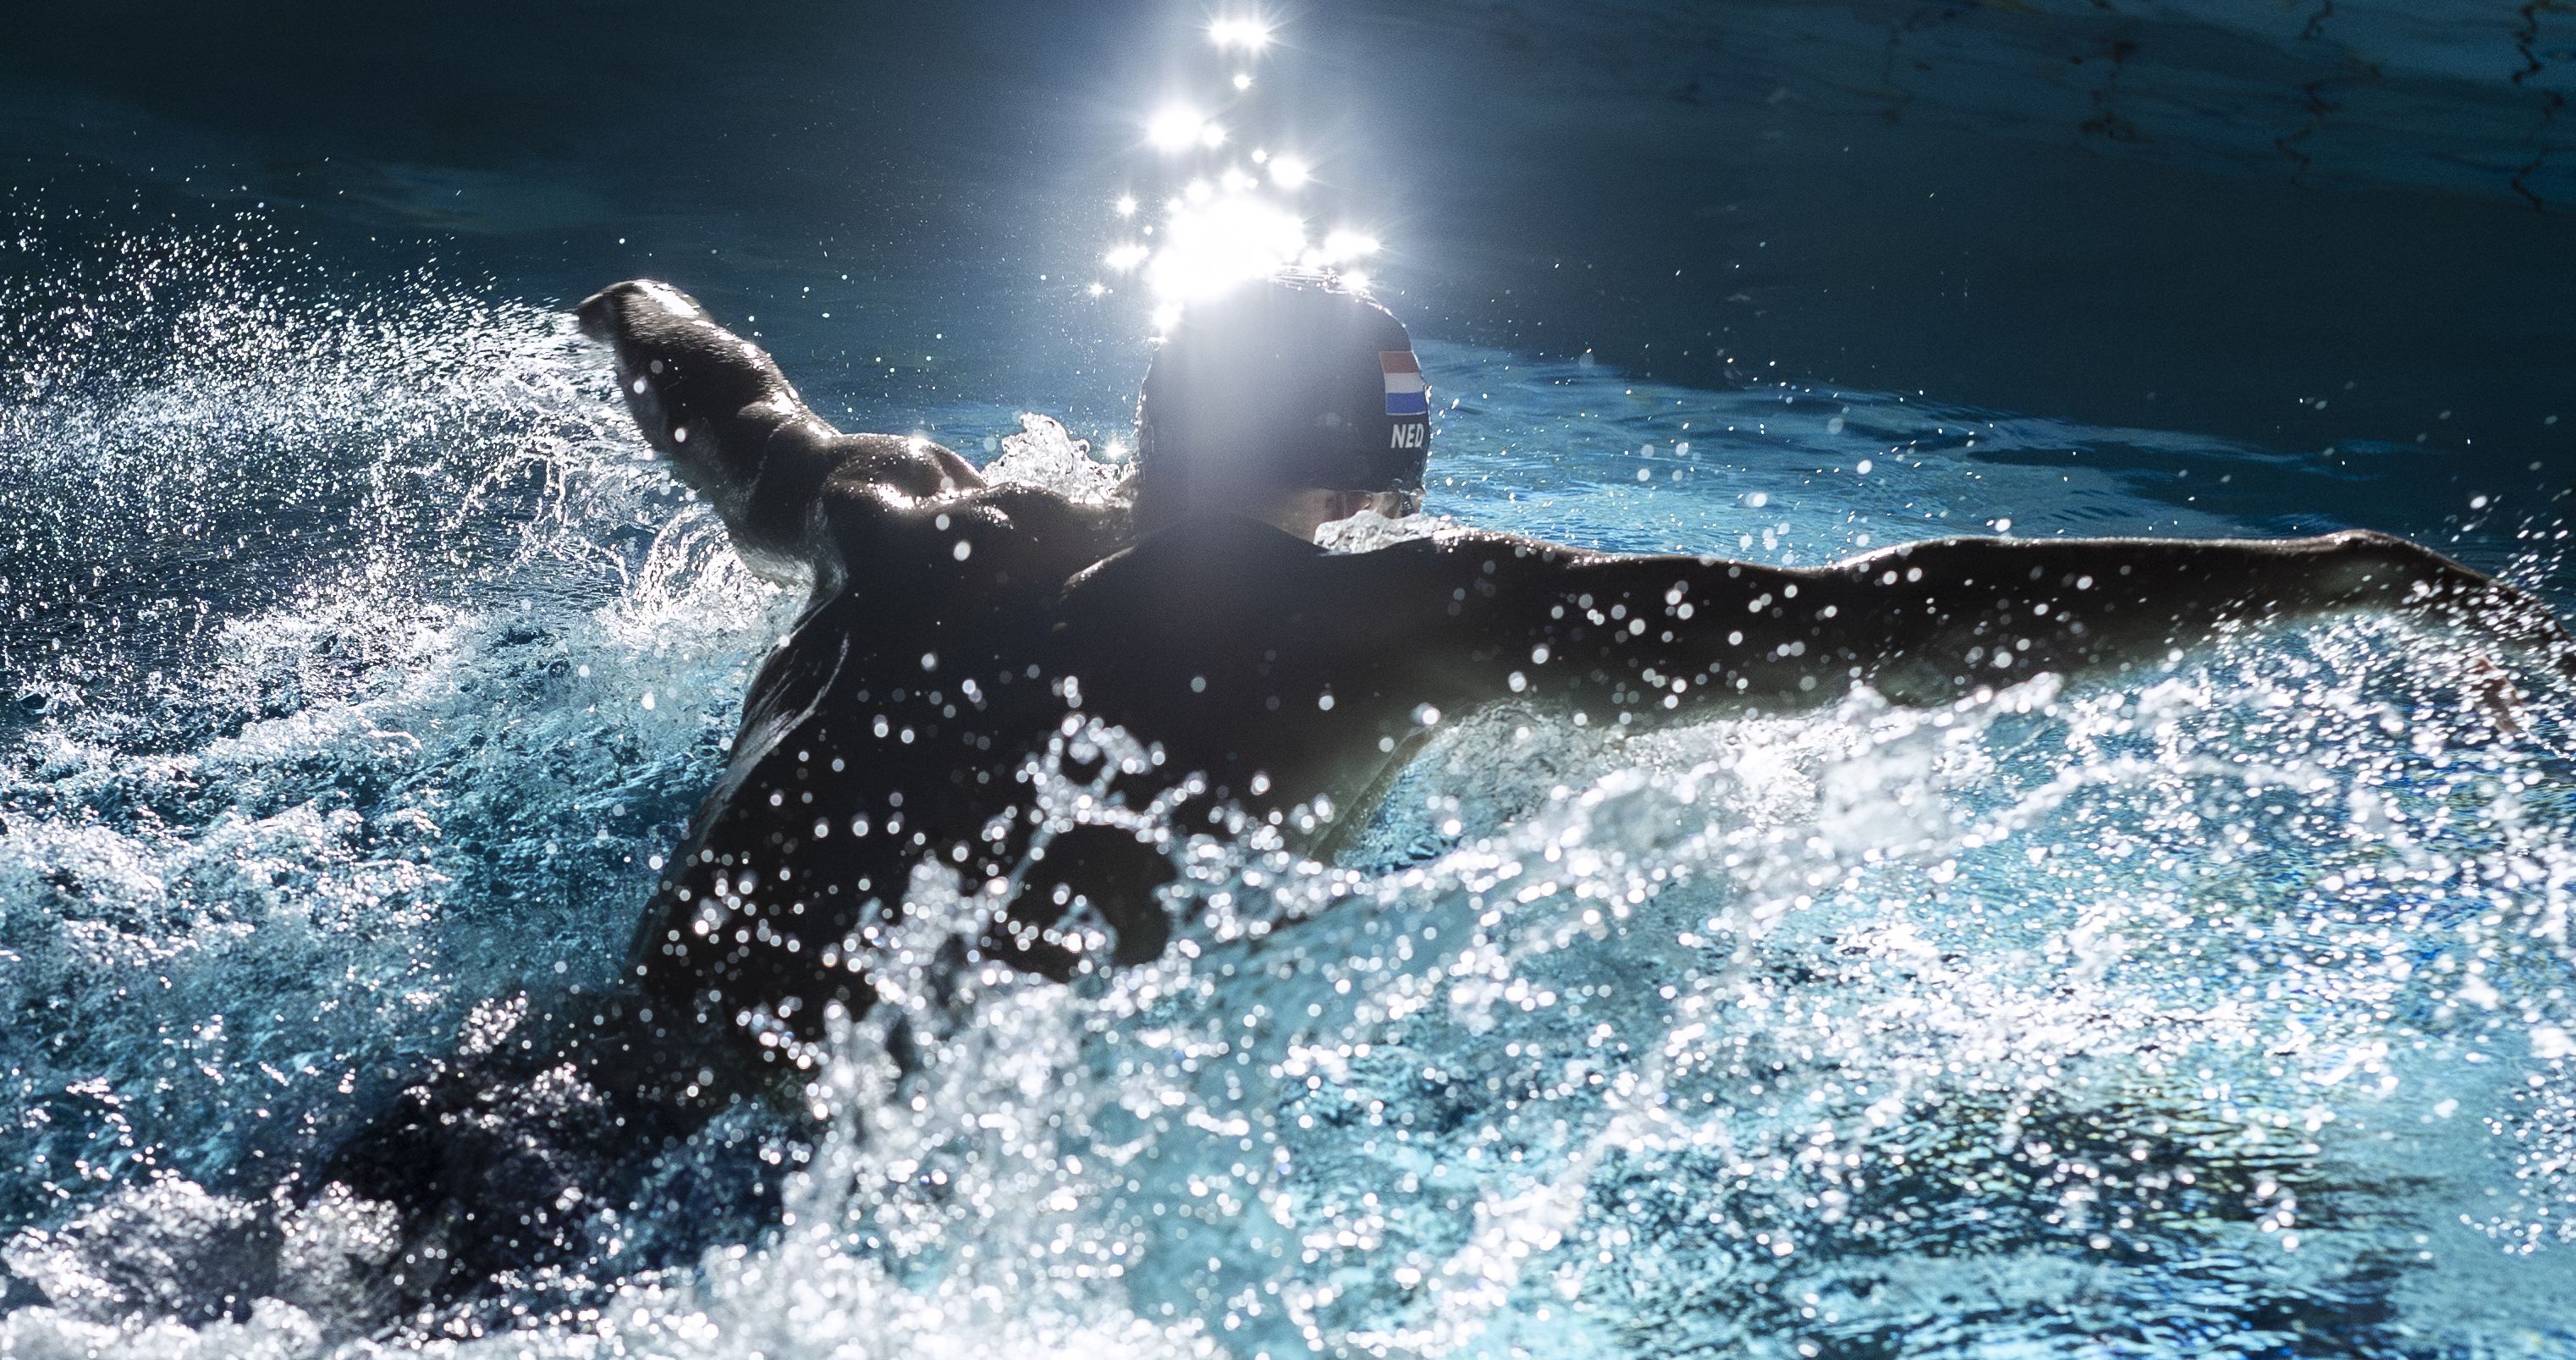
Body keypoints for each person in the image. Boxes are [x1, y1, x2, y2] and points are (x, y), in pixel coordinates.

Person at [576, 273, 2573, 1060]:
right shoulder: (1387, 615)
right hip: (799, 1194)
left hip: (557, 1080)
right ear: (1368, 474)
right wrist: (2341, 569)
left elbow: (722, 399)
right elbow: (1891, 621)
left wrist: (639, 304)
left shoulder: (897, 506)